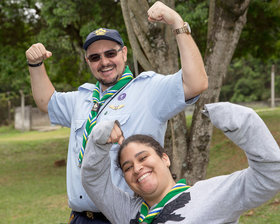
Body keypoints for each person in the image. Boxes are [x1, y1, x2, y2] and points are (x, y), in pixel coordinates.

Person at [25, 1, 208, 223]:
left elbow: (196, 83)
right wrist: (35, 65)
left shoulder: (148, 89)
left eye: (110, 53)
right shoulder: (83, 98)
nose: (104, 62)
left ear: (123, 53)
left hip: (123, 216)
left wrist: (177, 23)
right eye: (95, 57)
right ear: (88, 62)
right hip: (80, 218)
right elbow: (47, 102)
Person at [81, 102, 280, 224]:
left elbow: (269, 175)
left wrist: (243, 122)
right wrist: (98, 141)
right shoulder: (126, 212)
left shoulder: (209, 195)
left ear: (165, 158)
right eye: (128, 167)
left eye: (143, 158)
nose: (137, 168)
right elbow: (94, 182)